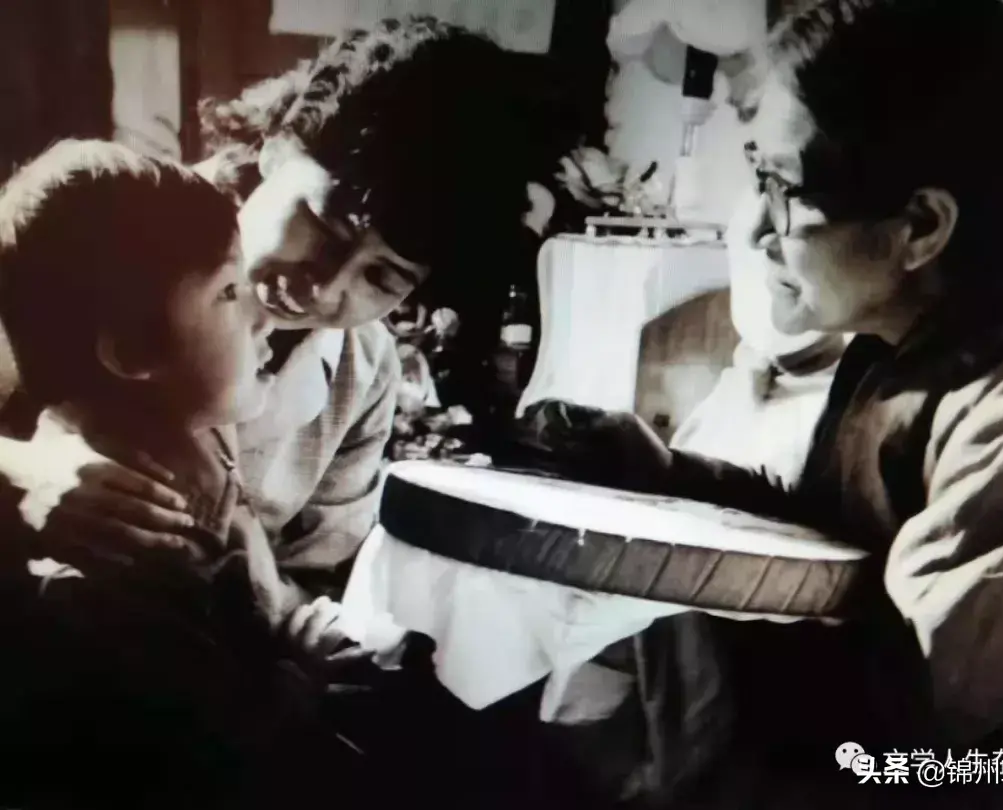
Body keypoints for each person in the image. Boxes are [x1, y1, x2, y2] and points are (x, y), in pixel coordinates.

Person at [520, 0, 1003, 806]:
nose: (755, 228)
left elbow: (918, 708)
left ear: (921, 226)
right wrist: (669, 474)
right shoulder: (900, 346)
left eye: (782, 186)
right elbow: (832, 540)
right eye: (758, 176)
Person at [0, 17, 576, 641]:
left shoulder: (364, 371)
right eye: (325, 230)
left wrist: (298, 625)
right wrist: (22, 476)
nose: (323, 287)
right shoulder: (103, 226)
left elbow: (311, 578)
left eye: (382, 279)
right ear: (279, 146)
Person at [0, 140, 377, 810]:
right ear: (132, 350)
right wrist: (297, 675)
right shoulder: (115, 558)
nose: (262, 310)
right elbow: (212, 747)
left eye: (386, 278)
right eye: (230, 293)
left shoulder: (198, 427)